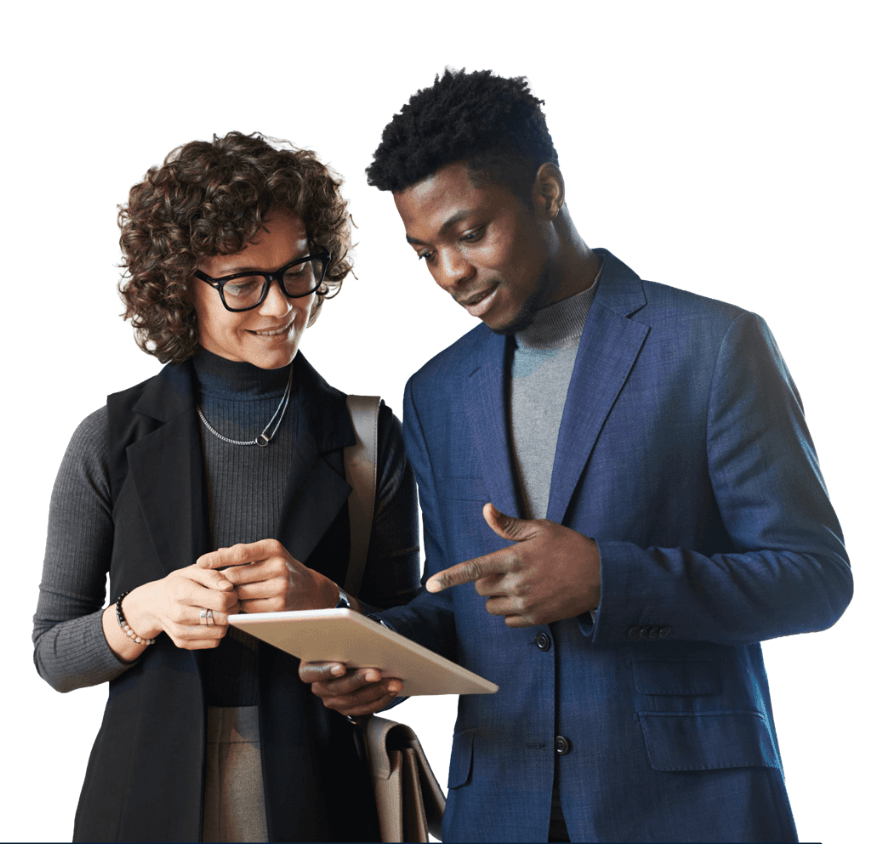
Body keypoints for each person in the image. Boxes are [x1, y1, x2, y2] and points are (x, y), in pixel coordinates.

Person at [300, 70, 853, 843]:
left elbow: (815, 580)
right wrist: (378, 653)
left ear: (548, 190)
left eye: (470, 232)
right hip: (499, 807)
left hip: (689, 811)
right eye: (425, 252)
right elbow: (467, 603)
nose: (451, 274)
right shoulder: (435, 390)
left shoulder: (715, 345)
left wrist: (606, 578)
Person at [32, 132, 420, 843]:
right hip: (141, 798)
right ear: (182, 284)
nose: (280, 307)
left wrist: (332, 607)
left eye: (296, 272)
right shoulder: (109, 438)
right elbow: (52, 655)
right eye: (243, 282)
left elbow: (413, 637)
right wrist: (142, 611)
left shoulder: (369, 438)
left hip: (321, 799)